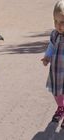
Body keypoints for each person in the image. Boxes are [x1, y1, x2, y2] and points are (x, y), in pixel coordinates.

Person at [41, 0, 64, 129]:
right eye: (56, 21)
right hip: (56, 71)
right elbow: (51, 46)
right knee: (57, 93)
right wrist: (47, 57)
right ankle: (61, 107)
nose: (58, 25)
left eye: (62, 22)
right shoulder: (55, 35)